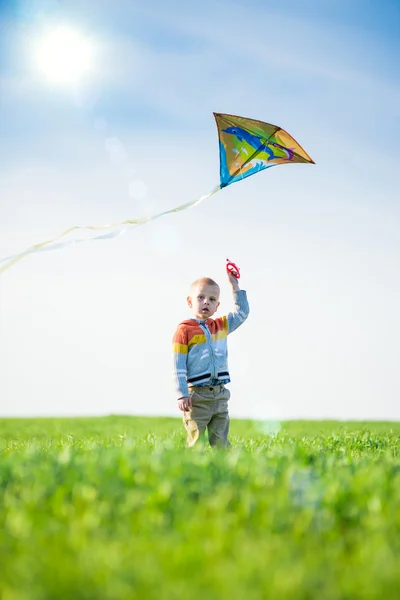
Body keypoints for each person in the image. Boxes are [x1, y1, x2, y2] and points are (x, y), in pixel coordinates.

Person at [172, 270, 249, 448]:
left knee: (221, 441)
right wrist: (182, 393)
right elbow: (178, 366)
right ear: (190, 302)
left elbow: (242, 313)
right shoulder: (184, 330)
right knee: (196, 442)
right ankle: (193, 472)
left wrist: (234, 285)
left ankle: (223, 470)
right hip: (196, 397)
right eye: (201, 297)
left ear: (217, 306)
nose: (206, 301)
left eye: (212, 299)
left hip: (220, 395)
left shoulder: (220, 326)